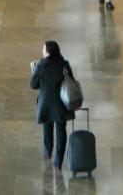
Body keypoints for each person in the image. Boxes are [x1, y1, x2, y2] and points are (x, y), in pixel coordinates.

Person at [29, 41, 75, 169]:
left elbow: (33, 85)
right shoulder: (64, 64)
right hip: (62, 104)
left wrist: (35, 72)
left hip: (47, 105)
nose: (42, 50)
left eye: (43, 49)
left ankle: (48, 153)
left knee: (47, 130)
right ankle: (58, 161)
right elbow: (71, 79)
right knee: (61, 131)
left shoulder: (41, 66)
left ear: (48, 52)